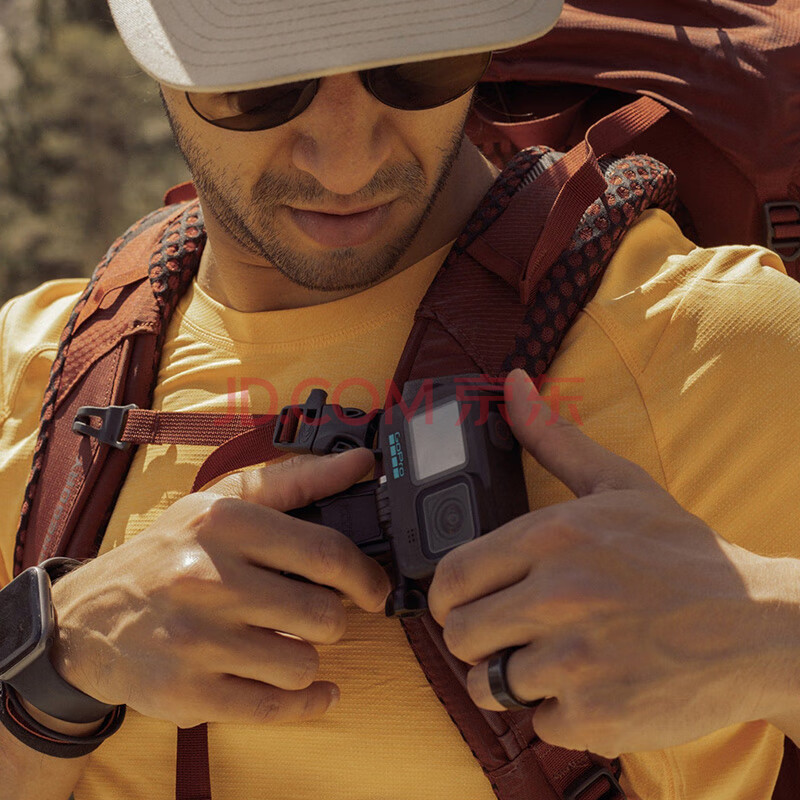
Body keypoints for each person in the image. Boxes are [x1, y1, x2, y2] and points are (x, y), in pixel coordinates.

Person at [1, 1, 800, 798]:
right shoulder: (30, 373)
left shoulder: (710, 347)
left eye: (416, 64)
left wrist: (763, 629)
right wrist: (59, 651)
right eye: (263, 83)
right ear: (157, 55)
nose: (346, 164)